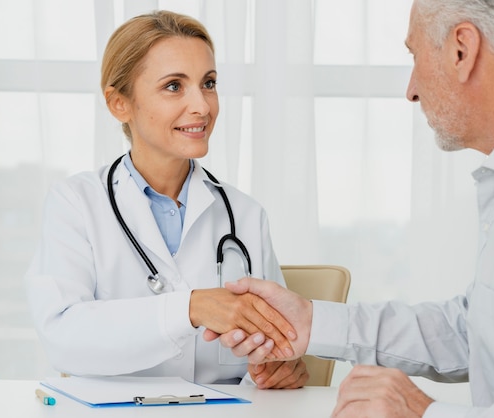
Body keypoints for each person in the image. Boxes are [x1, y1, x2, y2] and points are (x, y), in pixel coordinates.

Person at [207, 0, 494, 415]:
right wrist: (312, 322)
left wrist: (423, 413)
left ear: (462, 50)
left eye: (415, 56)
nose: (412, 89)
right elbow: (477, 331)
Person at [24, 10, 308, 389]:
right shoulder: (76, 204)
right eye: (174, 86)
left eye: (208, 83)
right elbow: (62, 337)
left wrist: (281, 368)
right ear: (118, 103)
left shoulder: (245, 214)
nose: (203, 106)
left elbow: (276, 344)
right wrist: (190, 308)